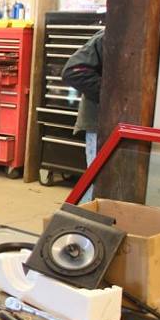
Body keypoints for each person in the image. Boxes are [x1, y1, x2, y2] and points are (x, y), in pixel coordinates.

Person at [62, 30, 104, 200]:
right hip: (99, 124)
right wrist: (112, 95)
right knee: (96, 182)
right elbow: (73, 71)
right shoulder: (106, 37)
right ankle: (84, 225)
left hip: (123, 125)